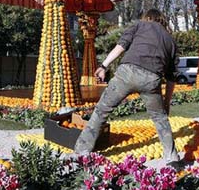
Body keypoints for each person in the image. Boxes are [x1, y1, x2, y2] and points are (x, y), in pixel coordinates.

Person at [74, 9, 181, 167]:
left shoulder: (140, 25)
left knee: (102, 110)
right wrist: (166, 103)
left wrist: (104, 65)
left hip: (127, 74)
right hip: (151, 79)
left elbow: (121, 46)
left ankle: (82, 152)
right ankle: (172, 158)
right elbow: (172, 78)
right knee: (160, 119)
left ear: (148, 18)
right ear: (162, 21)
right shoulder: (170, 41)